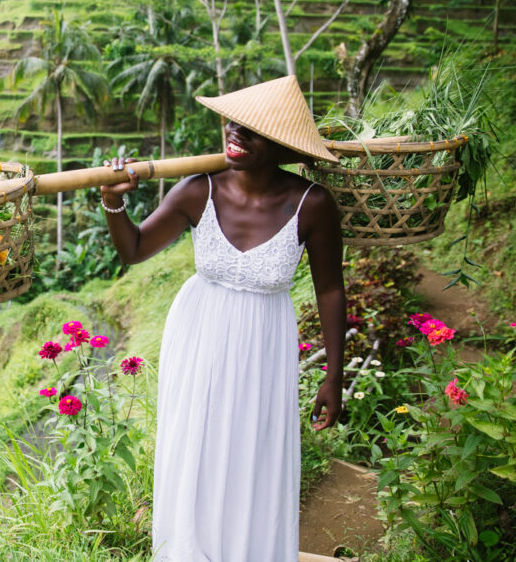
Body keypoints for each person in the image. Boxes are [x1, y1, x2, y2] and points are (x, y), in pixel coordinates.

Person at [100, 75, 346, 561]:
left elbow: (331, 288)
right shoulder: (198, 191)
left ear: (280, 145)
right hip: (199, 339)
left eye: (251, 130)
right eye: (233, 122)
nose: (234, 132)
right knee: (198, 452)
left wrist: (333, 376)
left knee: (253, 457)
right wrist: (112, 199)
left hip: (264, 347)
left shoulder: (311, 204)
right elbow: (133, 249)